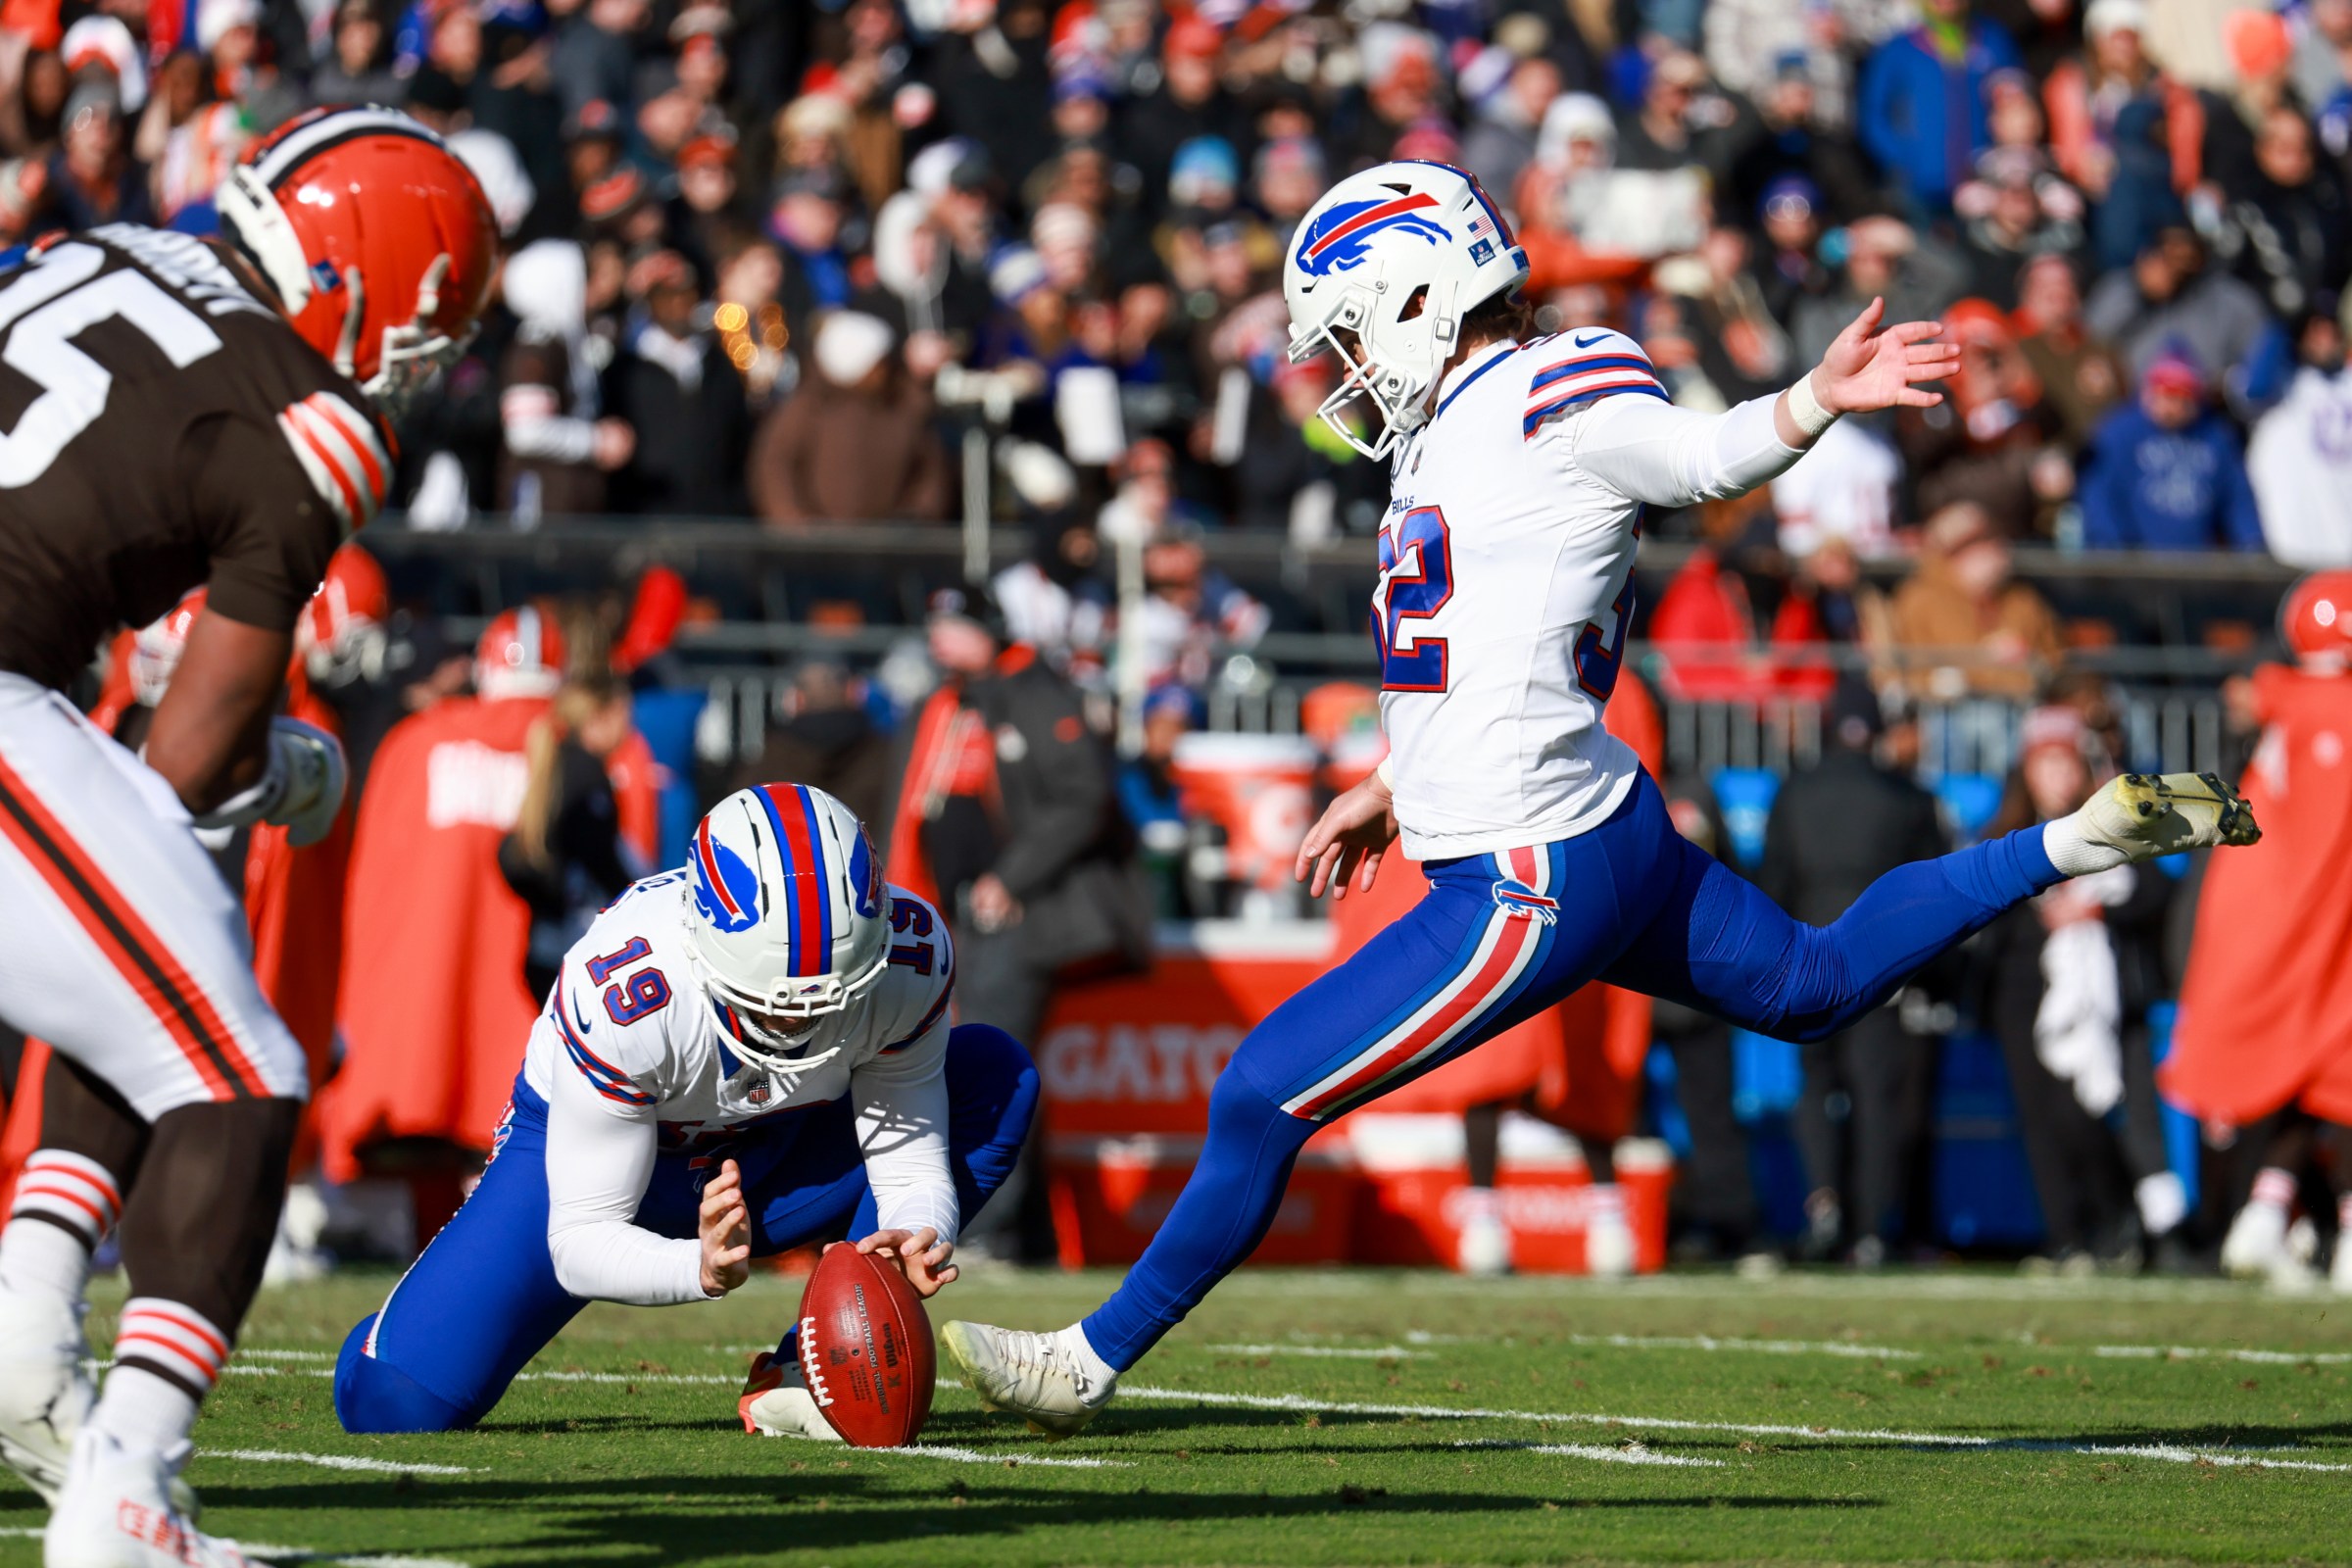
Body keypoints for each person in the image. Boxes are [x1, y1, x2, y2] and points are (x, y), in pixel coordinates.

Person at [935, 160, 2262, 1437]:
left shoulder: (1549, 390)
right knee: (1810, 984)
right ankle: (2079, 834)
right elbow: (1500, 635)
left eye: (1344, 333)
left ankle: (1087, 1358)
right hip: (1590, 823)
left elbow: (1700, 457)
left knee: (1260, 1094)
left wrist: (1810, 399)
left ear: (1415, 301)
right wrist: (1390, 783)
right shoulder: (1458, 426)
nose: (1332, 370)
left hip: (1528, 869)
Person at [0, 106, 495, 1568]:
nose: (424, 359)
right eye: (433, 321)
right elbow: (190, 764)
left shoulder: (101, 245)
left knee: (151, 950)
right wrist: (286, 768)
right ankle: (128, 1489)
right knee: (237, 1061)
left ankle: (29, 1328)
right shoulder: (312, 417)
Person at [333, 785, 1038, 1438]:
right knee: (391, 1403)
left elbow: (909, 1153)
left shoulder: (906, 959)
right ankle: (412, 1317)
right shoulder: (629, 985)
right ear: (706, 948)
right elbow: (581, 1239)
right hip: (604, 1172)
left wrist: (917, 1230)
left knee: (992, 1076)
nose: (802, 1029)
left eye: (834, 1001)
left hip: (777, 1154)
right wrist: (696, 1267)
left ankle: (807, 1367)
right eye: (772, 1007)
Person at [1760, 682, 1949, 1266]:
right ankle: (1870, 1228)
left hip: (1806, 958)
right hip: (1878, 965)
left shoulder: (1794, 793)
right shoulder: (1908, 797)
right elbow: (1931, 894)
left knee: (1816, 1089)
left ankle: (1825, 1207)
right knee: (1876, 1099)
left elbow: (1774, 884)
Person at [2079, 351, 2265, 552]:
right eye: (2165, 396)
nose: (2171, 407)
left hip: (2196, 561)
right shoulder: (2119, 432)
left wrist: (2251, 541)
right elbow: (2099, 494)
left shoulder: (2215, 436)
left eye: (2181, 398)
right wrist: (2111, 546)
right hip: (2134, 559)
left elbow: (2237, 497)